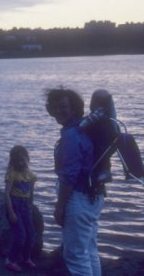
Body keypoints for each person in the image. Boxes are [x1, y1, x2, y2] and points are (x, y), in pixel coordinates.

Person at [45, 87, 104, 276]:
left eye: (63, 107)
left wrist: (60, 207)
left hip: (77, 198)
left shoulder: (72, 135)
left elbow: (69, 175)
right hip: (93, 196)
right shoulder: (83, 129)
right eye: (54, 107)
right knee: (90, 251)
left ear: (75, 109)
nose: (58, 111)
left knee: (76, 257)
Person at [4, 145, 37, 272]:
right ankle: (10, 260)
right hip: (15, 206)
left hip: (26, 207)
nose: (21, 163)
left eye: (23, 160)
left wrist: (31, 207)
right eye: (17, 160)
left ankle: (26, 258)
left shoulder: (31, 175)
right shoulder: (11, 174)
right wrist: (11, 212)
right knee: (20, 235)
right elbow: (7, 193)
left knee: (31, 234)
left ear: (27, 159)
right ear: (13, 161)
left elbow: (31, 192)